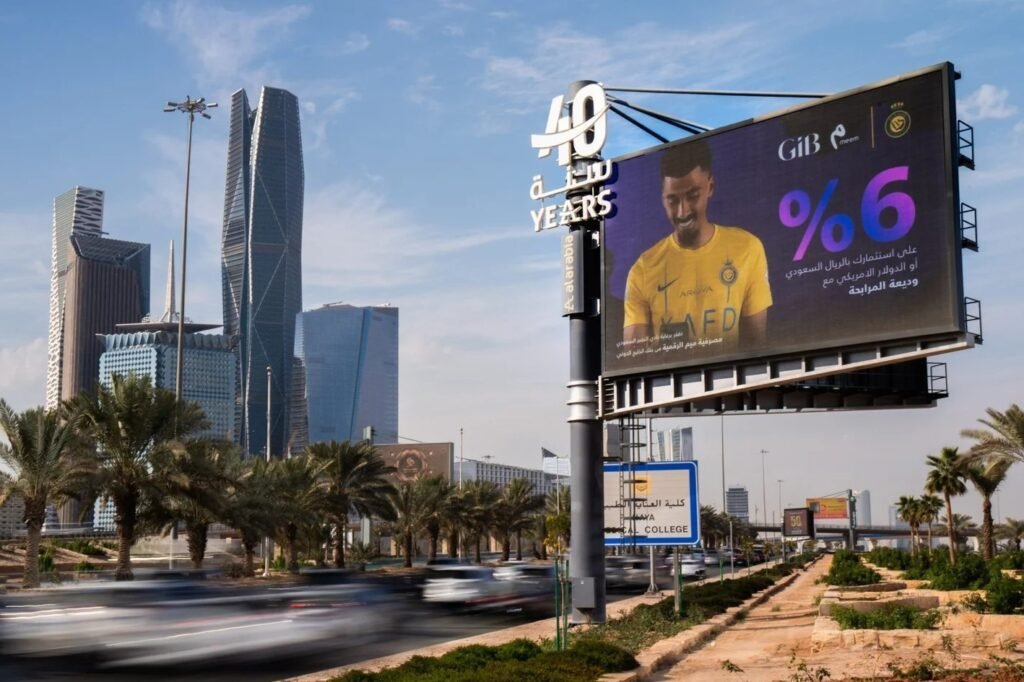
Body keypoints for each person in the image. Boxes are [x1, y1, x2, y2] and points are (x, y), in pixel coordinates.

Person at [622, 139, 771, 353]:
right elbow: (632, 361)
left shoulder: (748, 248)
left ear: (710, 187)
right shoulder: (642, 269)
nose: (683, 212)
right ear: (662, 199)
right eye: (673, 200)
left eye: (692, 196)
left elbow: (757, 347)